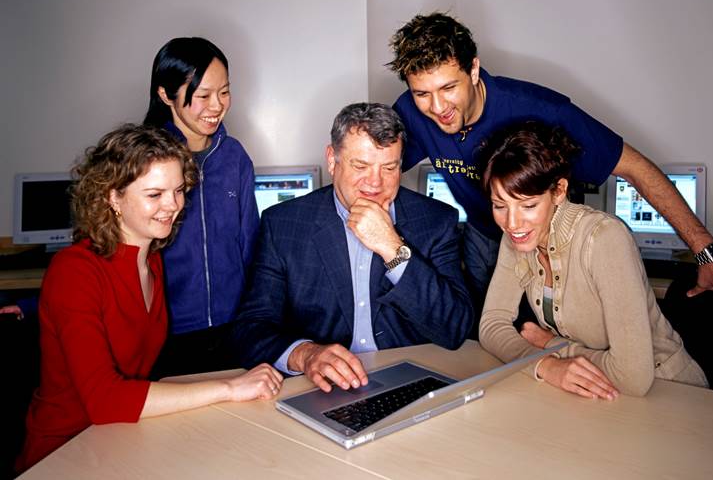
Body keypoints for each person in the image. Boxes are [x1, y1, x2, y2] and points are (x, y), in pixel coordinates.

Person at [388, 12, 713, 311]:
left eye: (448, 88)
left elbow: (637, 168)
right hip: (486, 237)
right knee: (487, 339)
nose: (437, 108)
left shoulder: (540, 110)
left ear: (473, 70)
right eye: (422, 93)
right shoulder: (412, 111)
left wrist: (708, 253)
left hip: (554, 243)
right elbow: (377, 168)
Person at [15, 125, 281, 473]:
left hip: (120, 439)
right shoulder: (74, 270)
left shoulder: (152, 258)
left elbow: (138, 381)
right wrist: (229, 388)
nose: (172, 206)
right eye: (155, 195)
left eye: (178, 191)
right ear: (113, 197)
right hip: (65, 452)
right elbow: (106, 400)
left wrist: (243, 380)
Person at [231, 103, 473, 393]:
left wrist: (393, 247)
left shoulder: (436, 220)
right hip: (321, 389)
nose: (375, 183)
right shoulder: (283, 224)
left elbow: (455, 327)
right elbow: (250, 329)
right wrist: (305, 355)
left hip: (409, 381)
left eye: (389, 167)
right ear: (333, 160)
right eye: (361, 166)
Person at [477, 121, 707, 398]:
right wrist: (545, 365)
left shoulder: (605, 237)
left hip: (669, 390)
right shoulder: (515, 237)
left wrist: (554, 346)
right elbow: (491, 326)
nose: (512, 223)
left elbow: (632, 377)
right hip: (594, 390)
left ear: (559, 191)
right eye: (499, 206)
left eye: (528, 205)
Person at [144, 37, 260, 377]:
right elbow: (111, 247)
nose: (217, 106)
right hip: (166, 333)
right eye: (203, 95)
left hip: (233, 328)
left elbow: (250, 244)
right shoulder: (144, 159)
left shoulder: (235, 156)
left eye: (224, 92)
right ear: (166, 95)